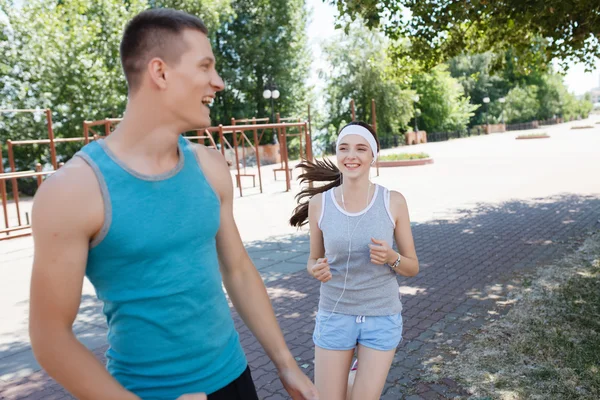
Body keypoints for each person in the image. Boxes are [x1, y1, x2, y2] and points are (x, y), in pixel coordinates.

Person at [29, 8, 318, 400]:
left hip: (235, 380)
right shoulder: (73, 191)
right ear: (160, 73)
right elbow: (50, 338)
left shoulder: (211, 166)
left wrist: (286, 363)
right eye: (205, 66)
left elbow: (237, 270)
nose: (218, 82)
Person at [290, 121, 420, 400]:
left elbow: (412, 266)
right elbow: (313, 259)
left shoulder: (393, 201)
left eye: (361, 149)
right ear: (337, 154)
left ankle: (354, 374)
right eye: (344, 148)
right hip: (335, 314)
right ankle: (351, 375)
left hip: (381, 315)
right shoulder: (320, 204)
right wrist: (316, 269)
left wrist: (392, 257)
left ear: (373, 156)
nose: (351, 155)